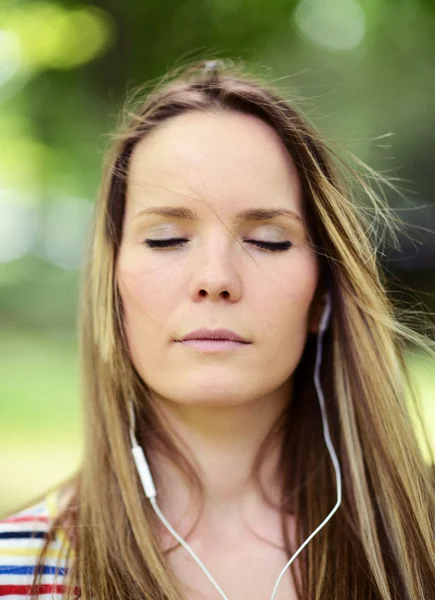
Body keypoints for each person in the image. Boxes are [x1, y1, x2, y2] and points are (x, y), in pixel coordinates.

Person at [0, 58, 434, 600]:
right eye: (165, 238)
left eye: (268, 240)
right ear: (111, 286)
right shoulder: (15, 573)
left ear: (323, 293)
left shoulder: (423, 545)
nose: (215, 279)